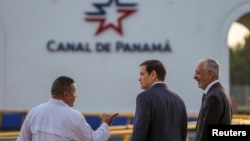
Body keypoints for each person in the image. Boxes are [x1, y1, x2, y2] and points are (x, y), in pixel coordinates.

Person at [16, 76, 118, 141]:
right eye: (75, 92)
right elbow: (94, 139)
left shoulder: (34, 112)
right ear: (66, 95)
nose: (76, 96)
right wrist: (105, 124)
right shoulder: (74, 116)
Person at [131, 59, 187, 141]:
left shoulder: (144, 97)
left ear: (153, 74)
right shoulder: (178, 99)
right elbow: (183, 132)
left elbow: (140, 131)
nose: (139, 79)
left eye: (142, 74)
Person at [193, 58, 232, 141]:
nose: (194, 77)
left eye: (198, 73)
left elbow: (206, 134)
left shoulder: (213, 97)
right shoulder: (220, 92)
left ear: (210, 74)